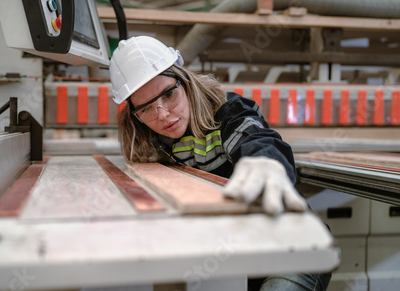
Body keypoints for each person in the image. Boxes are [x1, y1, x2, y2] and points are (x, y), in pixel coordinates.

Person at [109, 35, 331, 291]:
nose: (163, 115)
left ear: (185, 82)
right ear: (134, 115)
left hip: (294, 245)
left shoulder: (227, 112)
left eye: (169, 94)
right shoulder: (150, 137)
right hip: (238, 247)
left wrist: (267, 162)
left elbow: (256, 138)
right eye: (146, 108)